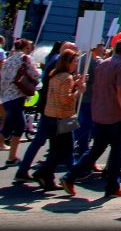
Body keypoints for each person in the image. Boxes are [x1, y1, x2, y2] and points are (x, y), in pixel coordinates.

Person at [61, 37, 121, 198]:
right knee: (116, 151)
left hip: (99, 113)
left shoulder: (103, 64)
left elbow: (96, 89)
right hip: (115, 116)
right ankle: (113, 186)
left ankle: (70, 176)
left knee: (95, 150)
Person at [0, 38, 38, 168]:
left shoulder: (9, 59)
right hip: (17, 96)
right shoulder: (25, 59)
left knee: (19, 126)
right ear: (25, 48)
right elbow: (35, 74)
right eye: (28, 48)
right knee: (8, 128)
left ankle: (12, 157)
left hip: (6, 96)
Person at [31, 50, 82, 192]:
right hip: (63, 117)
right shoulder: (66, 78)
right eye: (74, 62)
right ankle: (42, 172)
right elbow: (65, 99)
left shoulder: (54, 74)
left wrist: (75, 85)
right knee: (65, 149)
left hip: (51, 114)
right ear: (68, 63)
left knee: (56, 148)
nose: (76, 64)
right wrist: (79, 91)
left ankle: (47, 178)